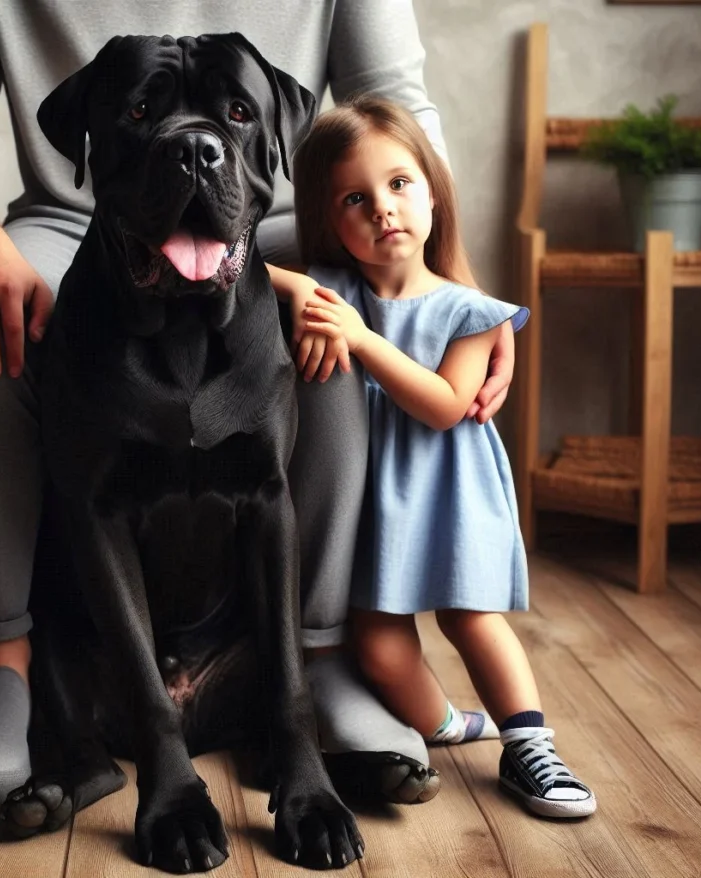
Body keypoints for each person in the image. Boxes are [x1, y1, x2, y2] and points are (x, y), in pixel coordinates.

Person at [0, 1, 516, 809]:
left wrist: (460, 298)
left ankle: (321, 657)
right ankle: (2, 665)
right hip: (77, 213)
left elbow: (397, 111)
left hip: (274, 214)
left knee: (335, 317)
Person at [276, 95, 595, 818]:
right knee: (381, 648)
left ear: (432, 190)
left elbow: (445, 405)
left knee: (472, 621)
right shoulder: (336, 290)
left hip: (447, 490)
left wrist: (361, 339)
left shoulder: (469, 310)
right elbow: (237, 273)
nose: (383, 209)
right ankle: (444, 724)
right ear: (329, 219)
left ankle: (529, 746)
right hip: (370, 499)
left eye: (399, 184)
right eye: (355, 198)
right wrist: (296, 283)